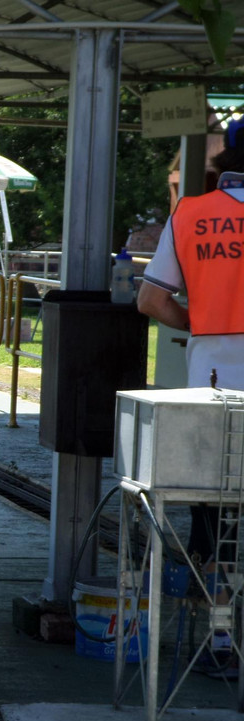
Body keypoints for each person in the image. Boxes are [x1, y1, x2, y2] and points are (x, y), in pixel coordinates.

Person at [137, 117, 244, 675]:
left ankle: (220, 641)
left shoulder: (193, 215)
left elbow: (151, 302)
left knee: (217, 519)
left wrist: (198, 324)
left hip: (212, 388)